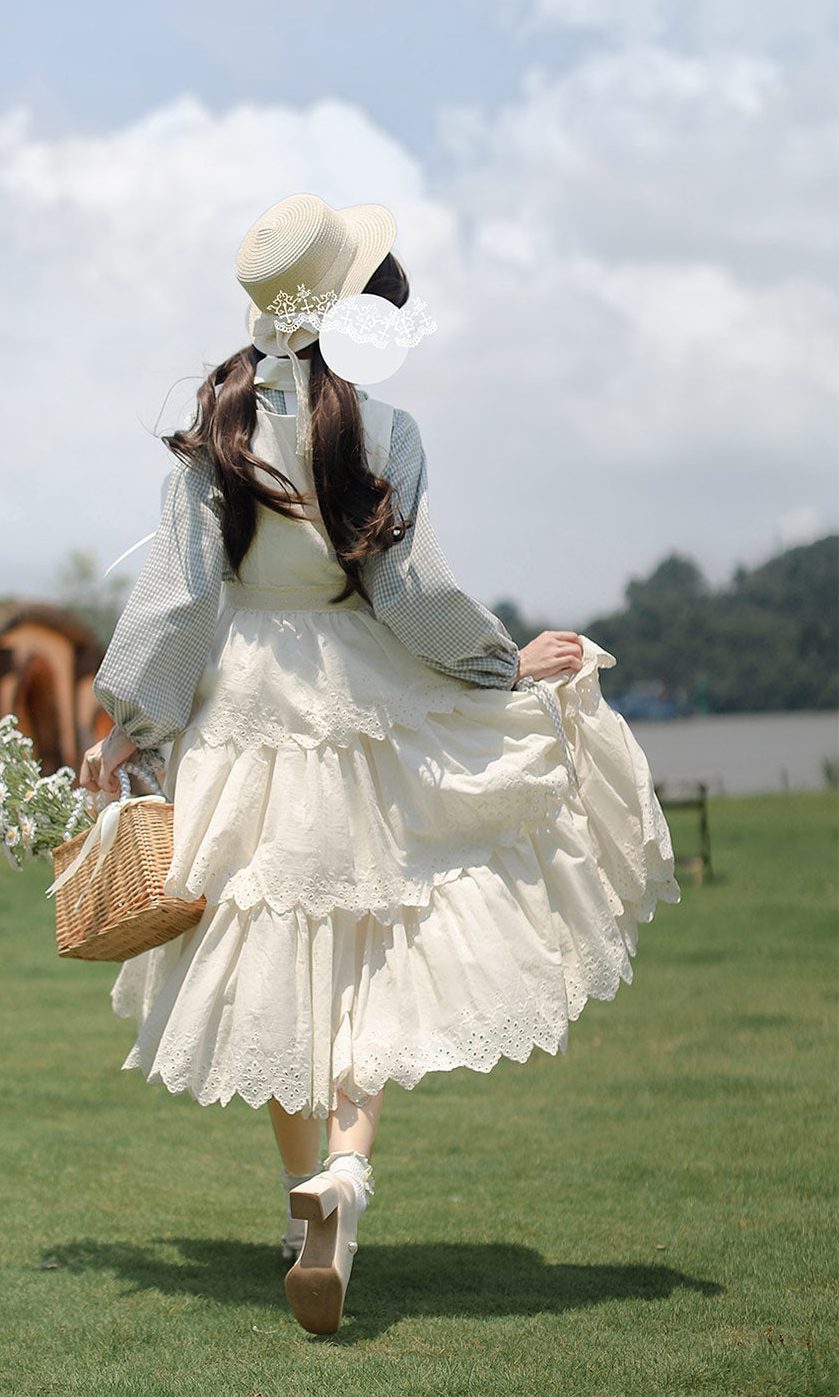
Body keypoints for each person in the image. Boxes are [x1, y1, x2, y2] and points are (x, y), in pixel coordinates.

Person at [79, 193, 679, 1335]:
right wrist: (504, 669)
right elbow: (409, 595)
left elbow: (181, 598)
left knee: (267, 952)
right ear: (349, 301)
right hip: (360, 704)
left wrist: (129, 722)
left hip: (243, 714)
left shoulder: (217, 425)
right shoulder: (381, 429)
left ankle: (307, 1186)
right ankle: (346, 1178)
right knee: (366, 954)